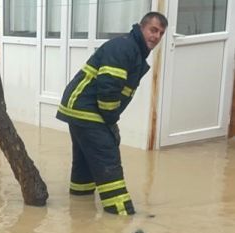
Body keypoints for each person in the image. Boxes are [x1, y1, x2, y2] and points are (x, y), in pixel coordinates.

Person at [56, 12, 168, 216]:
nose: (156, 36)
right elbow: (108, 88)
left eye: (161, 33)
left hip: (81, 108)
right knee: (107, 159)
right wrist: (111, 122)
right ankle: (120, 214)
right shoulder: (125, 47)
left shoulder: (133, 49)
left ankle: (80, 211)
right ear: (141, 27)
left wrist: (110, 120)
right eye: (153, 30)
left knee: (85, 163)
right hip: (87, 110)